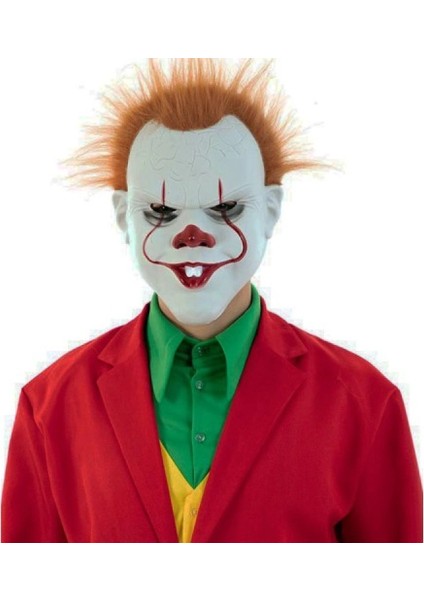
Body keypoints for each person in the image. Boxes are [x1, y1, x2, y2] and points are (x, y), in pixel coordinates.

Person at [1, 58, 422, 543]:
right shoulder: (50, 407)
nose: (193, 236)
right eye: (161, 210)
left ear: (270, 210)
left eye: (225, 207)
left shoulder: (363, 404)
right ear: (122, 216)